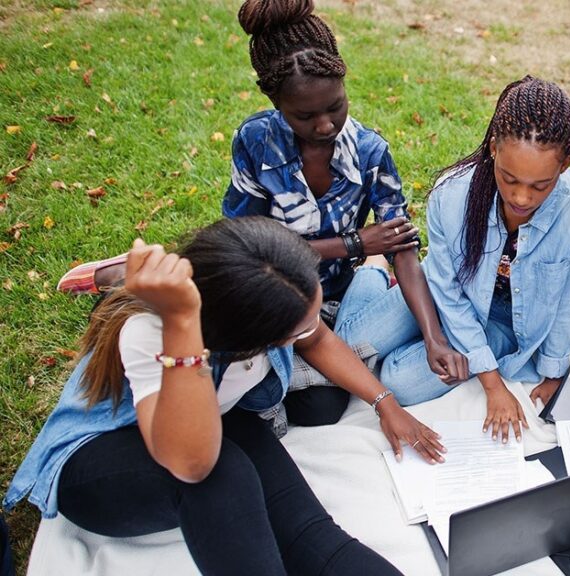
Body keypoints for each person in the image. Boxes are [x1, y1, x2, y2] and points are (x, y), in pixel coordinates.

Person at [56, 0, 466, 431]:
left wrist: (434, 340)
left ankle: (369, 279)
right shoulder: (255, 142)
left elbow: (403, 246)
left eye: (336, 107)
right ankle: (125, 274)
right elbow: (245, 247)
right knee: (278, 389)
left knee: (320, 411)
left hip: (330, 301)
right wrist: (356, 244)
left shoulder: (370, 151)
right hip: (269, 297)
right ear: (274, 100)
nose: (326, 126)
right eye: (305, 116)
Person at [6, 217, 445, 575]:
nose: (311, 330)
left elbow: (318, 339)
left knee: (312, 537)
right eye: (295, 330)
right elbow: (191, 463)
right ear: (245, 338)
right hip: (100, 458)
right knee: (223, 475)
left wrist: (384, 402)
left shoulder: (261, 285)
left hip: (210, 416)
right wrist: (181, 326)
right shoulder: (152, 330)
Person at [329, 76, 570, 443]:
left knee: (399, 382)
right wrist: (491, 384)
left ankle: (382, 286)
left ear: (566, 164)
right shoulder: (452, 194)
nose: (521, 197)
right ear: (493, 148)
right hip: (445, 295)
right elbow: (447, 289)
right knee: (347, 346)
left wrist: (553, 374)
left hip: (504, 323)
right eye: (509, 179)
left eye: (540, 186)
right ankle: (375, 269)